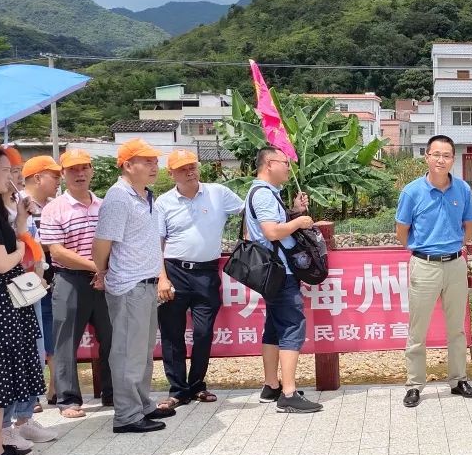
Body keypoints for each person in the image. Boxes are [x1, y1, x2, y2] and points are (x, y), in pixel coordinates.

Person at [92, 139, 180, 433]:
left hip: (146, 284)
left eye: (155, 161)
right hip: (129, 284)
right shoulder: (119, 198)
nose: (154, 166)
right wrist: (101, 271)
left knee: (142, 351)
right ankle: (127, 415)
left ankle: (142, 405)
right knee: (128, 352)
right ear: (128, 165)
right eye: (147, 161)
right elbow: (102, 243)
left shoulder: (144, 196)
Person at [395, 135, 472, 408]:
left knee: (456, 329)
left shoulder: (463, 190)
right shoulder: (412, 192)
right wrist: (421, 251)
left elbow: (469, 225)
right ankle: (414, 384)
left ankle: (458, 380)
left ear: (453, 159)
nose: (441, 160)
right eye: (436, 154)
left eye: (447, 155)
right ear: (427, 157)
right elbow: (402, 232)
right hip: (424, 264)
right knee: (417, 330)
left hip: (455, 265)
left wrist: (457, 248)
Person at [155, 150, 244, 405]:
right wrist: (162, 278)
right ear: (171, 173)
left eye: (192, 166)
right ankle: (177, 391)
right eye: (182, 168)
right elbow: (156, 244)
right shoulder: (163, 203)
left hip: (207, 272)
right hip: (174, 272)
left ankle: (196, 386)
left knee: (204, 333)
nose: (190, 171)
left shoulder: (218, 193)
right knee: (172, 334)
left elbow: (248, 211)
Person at [244, 145, 321, 414]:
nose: (289, 167)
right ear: (268, 164)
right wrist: (299, 223)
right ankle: (288, 393)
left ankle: (271, 385)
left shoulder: (264, 193)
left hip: (271, 272)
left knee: (274, 328)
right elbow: (272, 231)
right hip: (280, 272)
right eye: (285, 162)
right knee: (291, 326)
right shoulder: (263, 195)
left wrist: (293, 211)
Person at [39, 149, 114, 418]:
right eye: (73, 169)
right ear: (63, 174)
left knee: (112, 338)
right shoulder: (54, 209)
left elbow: (114, 241)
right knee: (65, 342)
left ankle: (112, 393)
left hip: (106, 280)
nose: (79, 173)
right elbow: (56, 252)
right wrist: (96, 267)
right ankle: (68, 399)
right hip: (70, 280)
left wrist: (104, 270)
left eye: (84, 168)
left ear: (92, 170)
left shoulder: (105, 205)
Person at [0, 146, 46, 455]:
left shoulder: (0, 209)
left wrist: (21, 221)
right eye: (4, 170)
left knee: (2, 384)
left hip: (6, 302)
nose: (10, 176)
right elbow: (1, 262)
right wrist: (25, 245)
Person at [23, 155, 61, 409]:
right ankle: (30, 396)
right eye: (55, 176)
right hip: (25, 285)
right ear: (38, 177)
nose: (59, 181)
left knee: (53, 335)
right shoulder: (19, 207)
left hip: (51, 282)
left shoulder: (55, 206)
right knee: (30, 338)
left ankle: (54, 388)